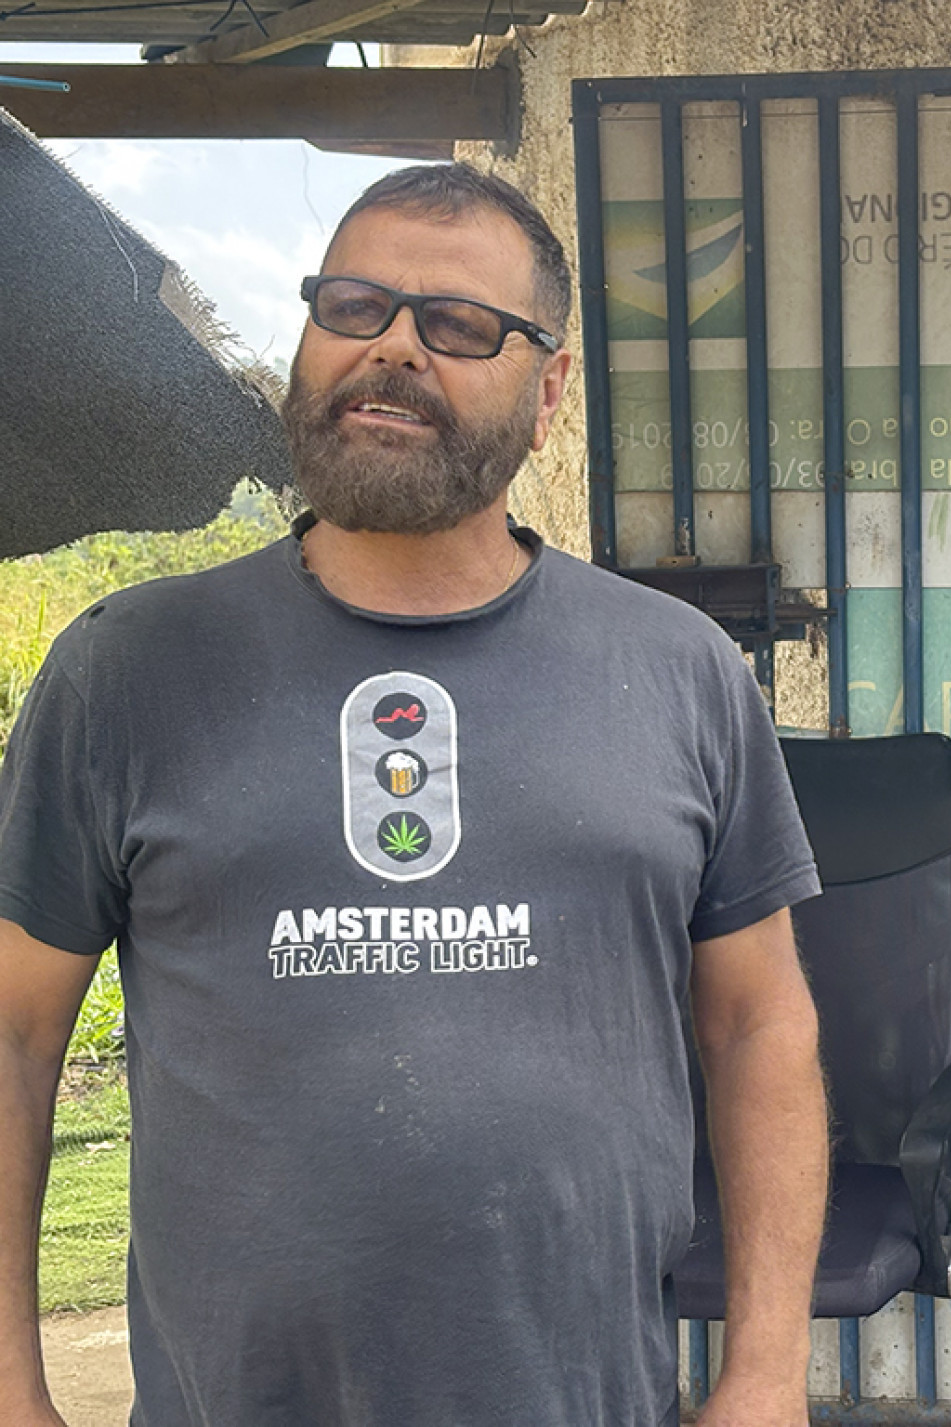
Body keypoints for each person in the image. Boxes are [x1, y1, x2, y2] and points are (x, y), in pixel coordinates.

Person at [0, 164, 827, 1427]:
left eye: (458, 324)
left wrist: (765, 1374)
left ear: (549, 392)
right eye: (353, 304)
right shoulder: (127, 671)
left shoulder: (679, 672)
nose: (392, 345)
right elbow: (15, 1035)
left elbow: (759, 1023)